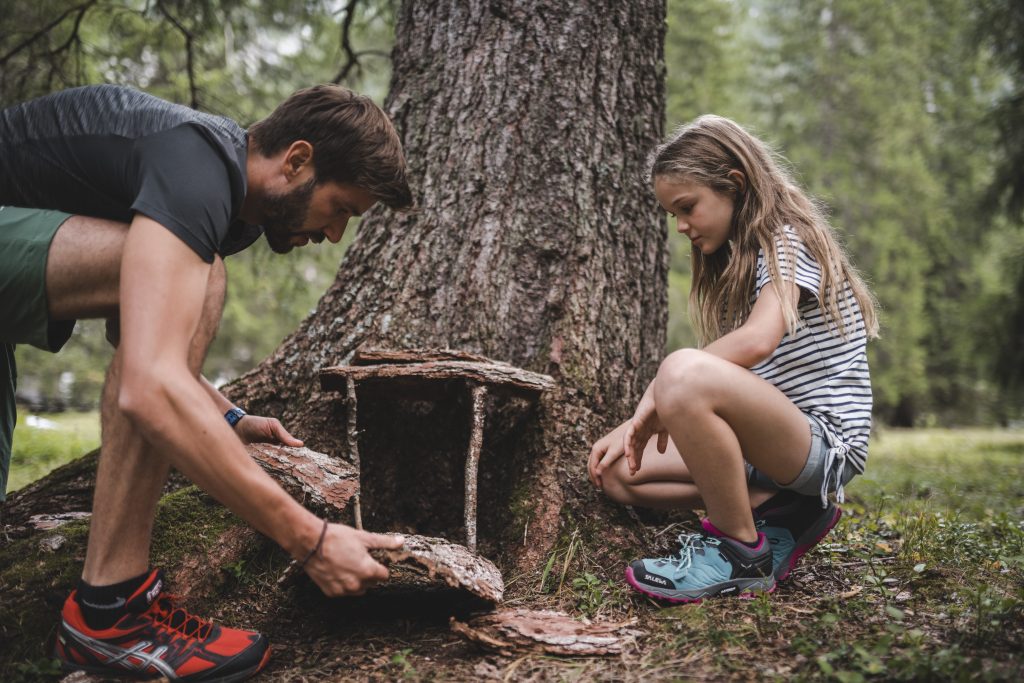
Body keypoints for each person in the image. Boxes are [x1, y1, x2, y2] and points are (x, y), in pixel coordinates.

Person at [0, 83, 412, 679]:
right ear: (297, 161)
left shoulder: (231, 208)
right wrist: (312, 540)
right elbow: (144, 384)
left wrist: (223, 414)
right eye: (341, 208)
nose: (333, 235)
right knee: (204, 278)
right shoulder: (198, 167)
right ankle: (109, 611)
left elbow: (137, 327)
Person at [588, 115, 878, 603]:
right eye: (672, 215)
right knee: (616, 473)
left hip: (821, 442)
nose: (681, 226)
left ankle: (740, 552)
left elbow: (757, 341)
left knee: (682, 370)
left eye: (688, 207)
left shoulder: (789, 237)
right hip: (765, 446)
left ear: (735, 185)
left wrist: (651, 402)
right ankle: (785, 511)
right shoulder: (739, 260)